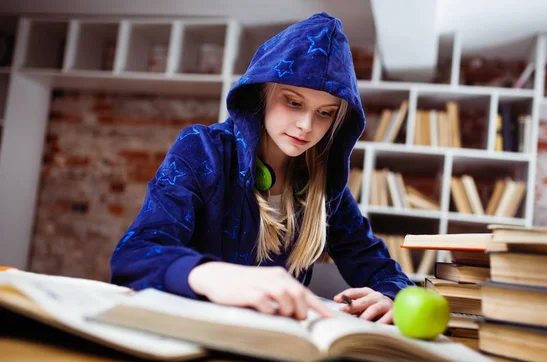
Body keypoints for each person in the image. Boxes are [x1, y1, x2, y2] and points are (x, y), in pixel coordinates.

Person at [110, 12, 413, 324]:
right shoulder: (202, 150)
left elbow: (381, 269)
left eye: (324, 113)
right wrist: (213, 276)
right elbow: (134, 255)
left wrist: (391, 295)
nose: (306, 126)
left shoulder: (325, 185)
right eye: (293, 103)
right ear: (262, 93)